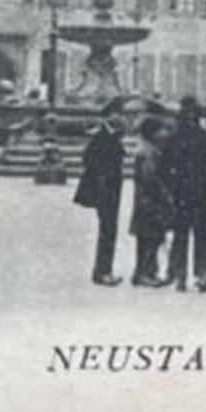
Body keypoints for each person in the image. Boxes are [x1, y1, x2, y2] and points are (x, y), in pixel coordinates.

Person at [165, 99, 206, 292]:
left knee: (181, 234)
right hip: (202, 194)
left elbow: (165, 166)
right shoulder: (205, 137)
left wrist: (172, 188)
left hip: (182, 193)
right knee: (202, 235)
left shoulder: (174, 137)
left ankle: (180, 276)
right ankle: (202, 275)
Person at [74, 100, 127, 286]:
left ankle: (105, 269)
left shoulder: (112, 135)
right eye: (118, 114)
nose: (122, 117)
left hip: (111, 188)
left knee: (109, 230)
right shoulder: (101, 136)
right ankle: (102, 271)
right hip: (105, 189)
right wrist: (102, 179)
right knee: (107, 230)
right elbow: (89, 159)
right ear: (109, 116)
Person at [129, 116, 174, 287]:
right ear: (152, 133)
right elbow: (151, 178)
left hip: (145, 200)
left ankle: (143, 272)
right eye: (160, 130)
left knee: (148, 237)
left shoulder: (148, 149)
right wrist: (165, 195)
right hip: (150, 201)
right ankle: (145, 273)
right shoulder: (148, 153)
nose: (164, 134)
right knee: (151, 237)